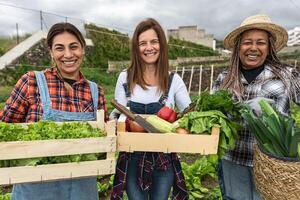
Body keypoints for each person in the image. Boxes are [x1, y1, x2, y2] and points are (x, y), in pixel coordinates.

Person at [0, 22, 107, 200]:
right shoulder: (31, 82)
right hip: (35, 190)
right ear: (51, 52)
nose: (68, 54)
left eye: (74, 47)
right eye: (59, 48)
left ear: (83, 50)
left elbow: (103, 144)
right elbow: (5, 131)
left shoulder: (96, 92)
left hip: (83, 191)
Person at [212, 14, 300, 200]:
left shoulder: (287, 75)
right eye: (247, 43)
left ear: (269, 48)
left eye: (260, 42)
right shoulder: (224, 79)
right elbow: (212, 117)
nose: (253, 48)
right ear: (238, 47)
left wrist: (274, 116)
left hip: (274, 165)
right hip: (234, 161)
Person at [110, 18, 191, 200]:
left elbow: (188, 113)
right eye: (143, 43)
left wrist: (181, 124)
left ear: (161, 45)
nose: (149, 47)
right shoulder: (125, 77)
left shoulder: (173, 81)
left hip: (164, 158)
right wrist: (121, 123)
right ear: (136, 48)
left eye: (154, 42)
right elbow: (117, 115)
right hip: (132, 157)